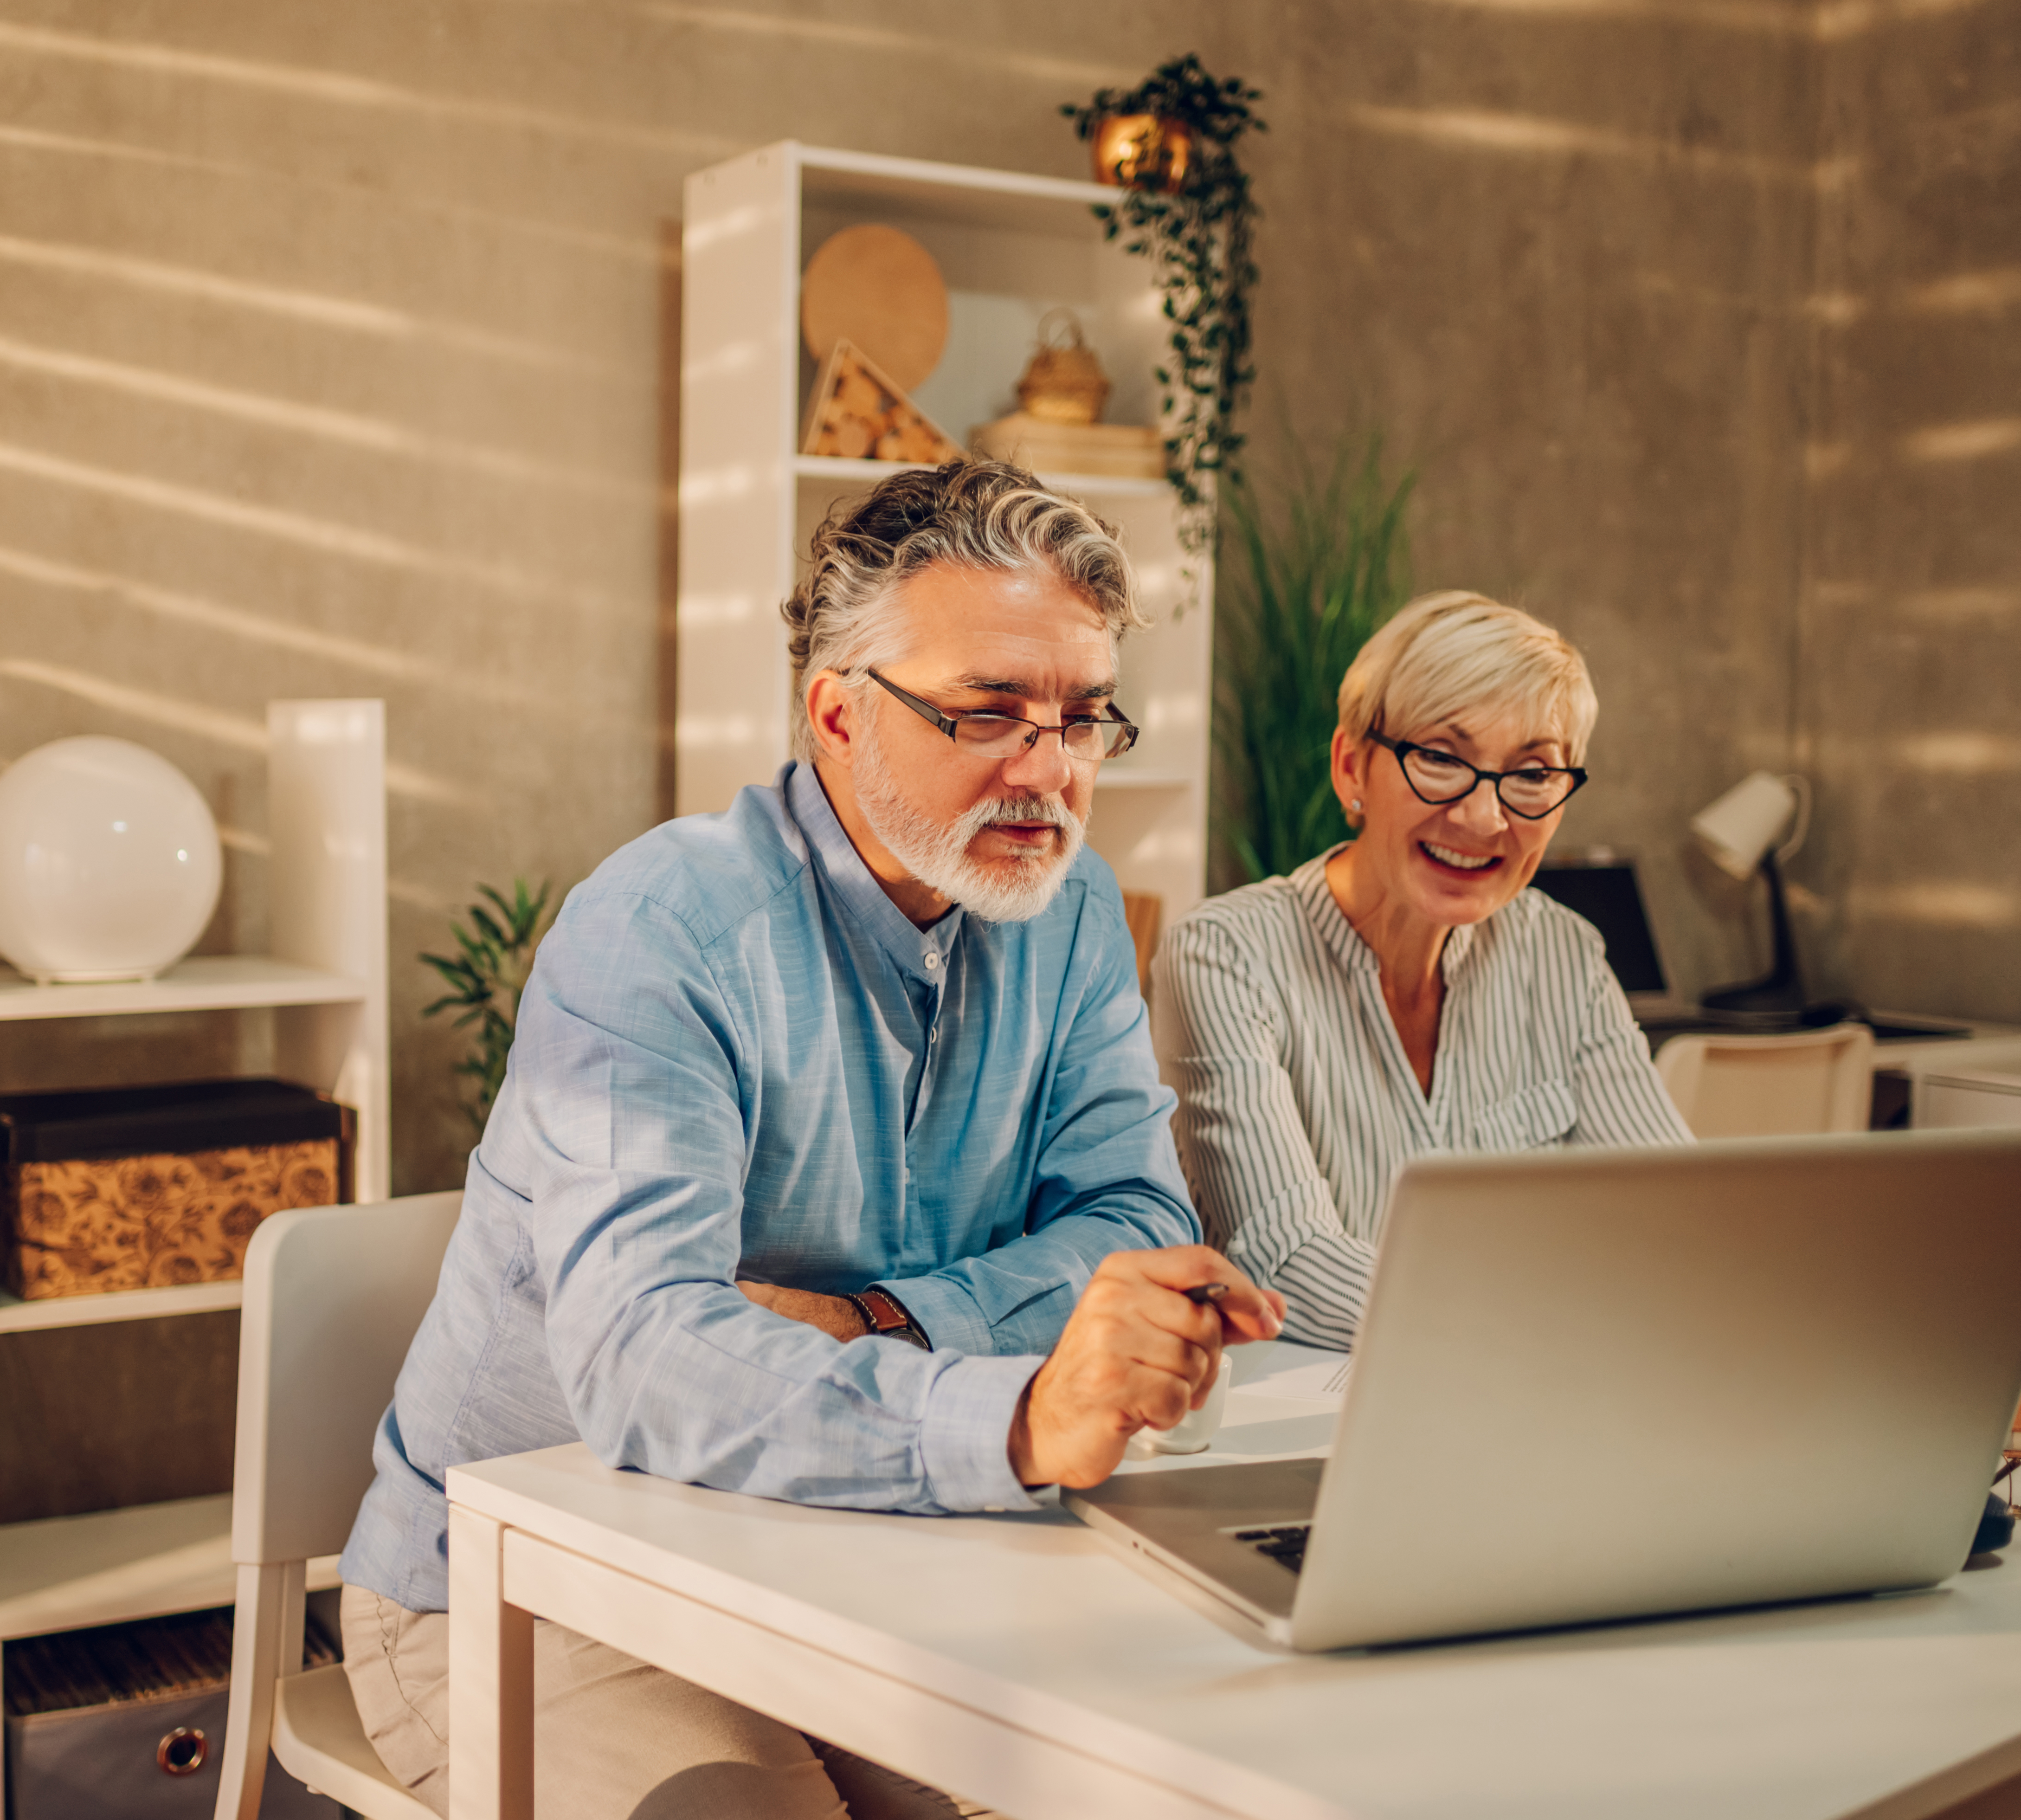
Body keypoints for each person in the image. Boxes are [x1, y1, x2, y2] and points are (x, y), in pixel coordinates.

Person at [335, 459, 1284, 1819]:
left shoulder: (1067, 913)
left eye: (1083, 717)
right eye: (988, 713)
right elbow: (646, 1360)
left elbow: (1132, 1224)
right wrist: (1019, 1412)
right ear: (837, 714)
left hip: (854, 1552)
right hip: (530, 1586)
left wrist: (875, 1319)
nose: (1050, 773)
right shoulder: (659, 930)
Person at [1158, 589, 1690, 1350]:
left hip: (1534, 1390)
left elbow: (1676, 1219)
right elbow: (1287, 1265)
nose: (1483, 818)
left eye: (1531, 773)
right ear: (1351, 767)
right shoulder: (1224, 955)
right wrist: (1552, 1318)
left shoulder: (1563, 953)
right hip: (1318, 1410)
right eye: (1440, 759)